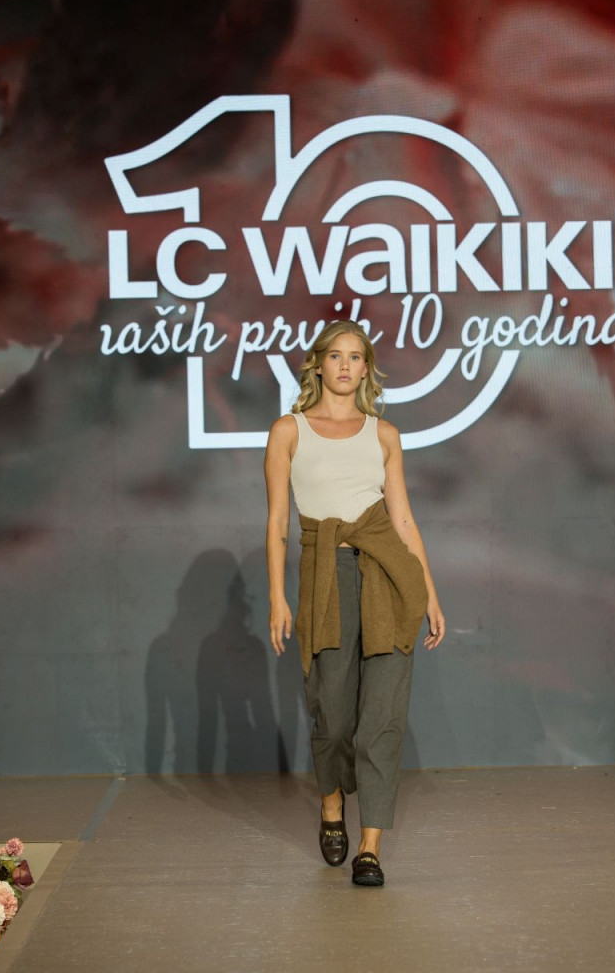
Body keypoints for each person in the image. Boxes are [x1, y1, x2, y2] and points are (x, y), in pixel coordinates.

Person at [264, 319, 445, 887]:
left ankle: (370, 848)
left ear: (367, 368)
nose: (345, 365)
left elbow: (403, 520)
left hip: (387, 575)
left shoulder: (384, 434)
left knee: (382, 719)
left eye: (356, 356)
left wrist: (430, 594)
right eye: (335, 356)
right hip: (327, 576)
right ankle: (331, 803)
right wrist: (277, 597)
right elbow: (276, 521)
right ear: (318, 364)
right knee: (334, 715)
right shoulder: (289, 431)